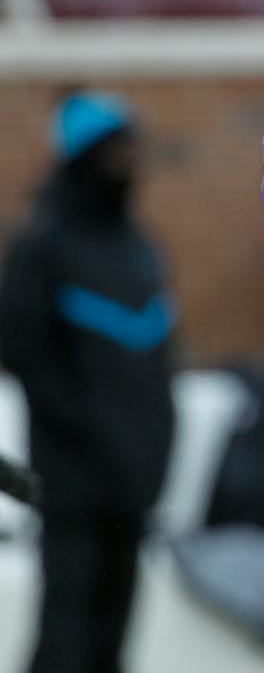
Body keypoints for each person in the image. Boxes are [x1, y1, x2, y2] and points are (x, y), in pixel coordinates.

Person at [0, 91, 176, 673]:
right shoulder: (40, 245)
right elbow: (22, 353)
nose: (128, 164)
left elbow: (160, 359)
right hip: (71, 484)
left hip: (136, 484)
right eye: (115, 152)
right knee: (65, 639)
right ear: (84, 157)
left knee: (111, 640)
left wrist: (150, 454)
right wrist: (94, 435)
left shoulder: (139, 247)